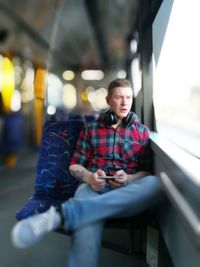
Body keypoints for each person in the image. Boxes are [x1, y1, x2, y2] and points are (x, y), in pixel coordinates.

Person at [11, 78, 162, 267]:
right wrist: (90, 177)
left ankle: (64, 214)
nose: (124, 103)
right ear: (108, 100)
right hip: (94, 188)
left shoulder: (141, 132)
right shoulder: (91, 129)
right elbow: (74, 166)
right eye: (118, 97)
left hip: (128, 190)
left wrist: (130, 178)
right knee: (87, 210)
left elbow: (146, 173)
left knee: (156, 184)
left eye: (128, 98)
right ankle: (77, 213)